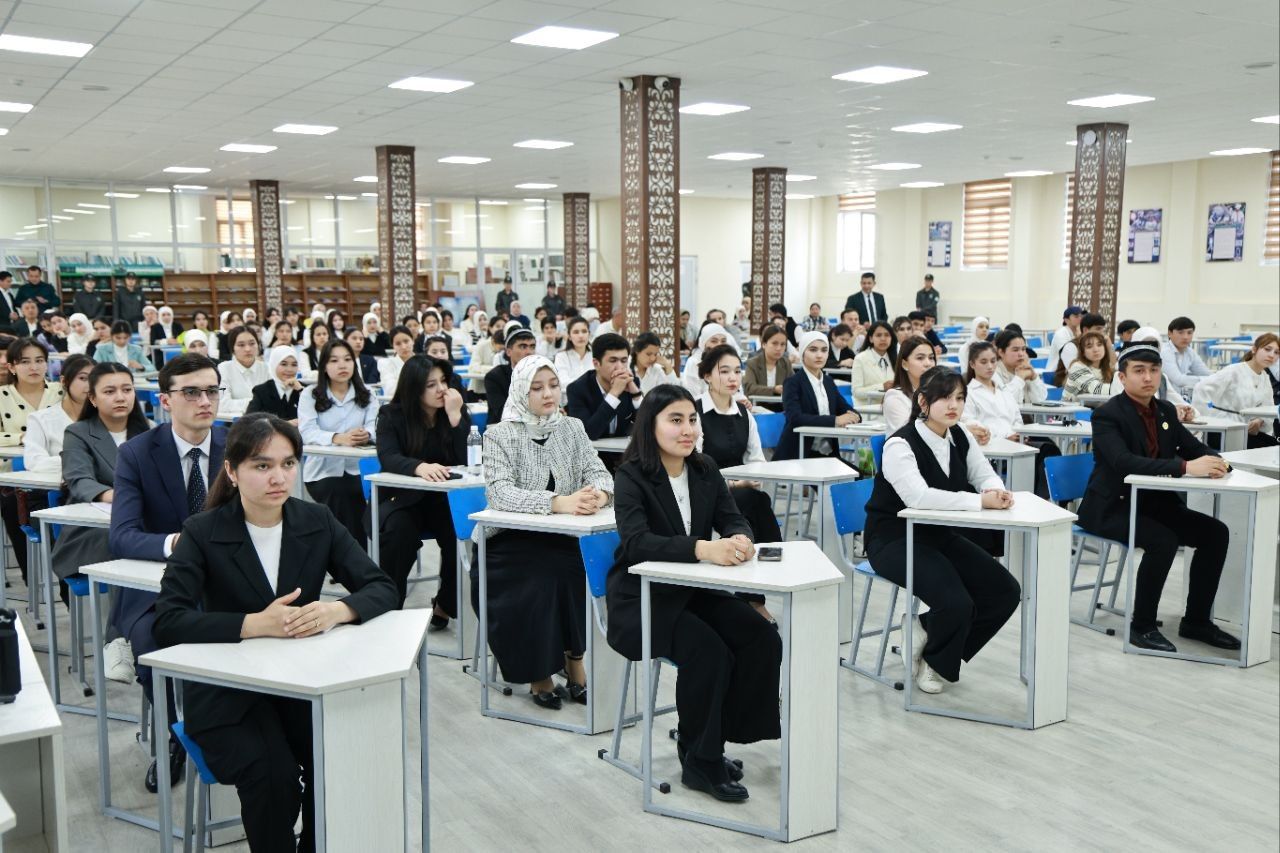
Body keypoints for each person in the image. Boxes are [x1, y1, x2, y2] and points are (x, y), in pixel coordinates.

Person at [153, 413, 396, 852]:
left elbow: (381, 586)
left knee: (339, 757)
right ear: (232, 471)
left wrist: (337, 611)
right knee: (273, 774)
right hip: (229, 693)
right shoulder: (202, 532)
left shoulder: (316, 520)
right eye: (261, 465)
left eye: (288, 464)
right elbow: (168, 620)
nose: (278, 477)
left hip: (301, 685)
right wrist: (252, 624)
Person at [605, 383, 781, 802]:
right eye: (675, 420)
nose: (688, 430)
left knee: (761, 636)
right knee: (709, 652)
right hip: (643, 598)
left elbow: (732, 517)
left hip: (694, 589)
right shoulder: (630, 475)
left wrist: (740, 539)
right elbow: (636, 543)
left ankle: (715, 738)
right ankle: (700, 761)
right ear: (650, 426)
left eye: (692, 420)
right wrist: (703, 549)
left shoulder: (704, 469)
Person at [109, 353, 228, 792]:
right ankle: (174, 738)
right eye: (191, 392)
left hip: (229, 579)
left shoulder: (239, 446)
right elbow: (122, 536)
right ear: (165, 400)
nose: (205, 401)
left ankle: (234, 730)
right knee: (151, 641)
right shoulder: (138, 453)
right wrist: (179, 543)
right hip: (159, 586)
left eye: (212, 390)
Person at [864, 367, 1021, 694]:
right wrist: (980, 501)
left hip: (938, 536)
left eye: (960, 398)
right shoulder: (900, 445)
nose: (954, 405)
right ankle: (936, 661)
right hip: (893, 539)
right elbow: (919, 498)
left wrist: (996, 490)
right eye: (945, 398)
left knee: (1004, 591)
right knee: (956, 603)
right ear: (923, 401)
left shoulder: (959, 435)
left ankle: (924, 630)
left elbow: (983, 474)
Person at [1076, 345, 1237, 652]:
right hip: (1112, 507)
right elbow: (1123, 462)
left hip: (1154, 504)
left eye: (1154, 370)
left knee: (1215, 533)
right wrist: (1185, 468)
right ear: (1122, 377)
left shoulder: (1164, 411)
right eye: (1139, 371)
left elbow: (1193, 448)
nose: (1148, 378)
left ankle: (1196, 621)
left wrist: (1221, 464)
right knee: (1163, 541)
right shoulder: (1107, 415)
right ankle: (1142, 627)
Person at [475, 355, 612, 709]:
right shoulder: (499, 434)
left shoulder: (572, 428)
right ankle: (539, 672)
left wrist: (598, 495)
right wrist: (559, 502)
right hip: (508, 542)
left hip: (561, 536)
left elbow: (599, 473)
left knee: (576, 569)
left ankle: (574, 659)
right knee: (540, 577)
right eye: (537, 388)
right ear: (521, 392)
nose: (548, 394)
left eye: (553, 385)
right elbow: (500, 493)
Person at [53, 363, 151, 676]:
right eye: (109, 391)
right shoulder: (79, 432)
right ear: (93, 399)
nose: (120, 397)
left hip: (145, 527)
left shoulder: (150, 432)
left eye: (126, 389)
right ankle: (118, 640)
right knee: (126, 547)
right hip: (90, 534)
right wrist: (121, 496)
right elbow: (79, 480)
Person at [375, 355, 469, 616]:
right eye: (431, 384)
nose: (441, 389)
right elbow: (388, 456)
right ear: (414, 387)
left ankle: (445, 604)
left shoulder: (453, 411)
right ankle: (388, 609)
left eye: (443, 381)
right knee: (398, 535)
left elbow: (468, 460)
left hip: (442, 500)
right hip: (402, 500)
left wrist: (455, 418)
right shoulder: (391, 415)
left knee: (461, 534)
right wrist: (419, 467)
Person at [694, 345, 783, 617]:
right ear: (707, 375)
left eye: (737, 371)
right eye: (724, 371)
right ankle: (759, 588)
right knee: (752, 501)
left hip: (741, 492)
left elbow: (757, 460)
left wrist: (750, 479)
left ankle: (752, 595)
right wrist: (733, 484)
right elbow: (694, 466)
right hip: (703, 492)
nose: (733, 377)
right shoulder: (694, 411)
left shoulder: (745, 414)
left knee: (754, 499)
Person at [298, 339, 378, 545]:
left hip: (359, 469)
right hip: (322, 471)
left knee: (371, 496)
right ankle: (356, 554)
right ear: (324, 365)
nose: (342, 365)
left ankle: (350, 554)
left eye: (347, 359)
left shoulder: (368, 395)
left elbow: (376, 427)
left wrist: (366, 435)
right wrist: (337, 438)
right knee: (343, 493)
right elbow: (306, 431)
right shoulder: (310, 395)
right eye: (334, 360)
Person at [0, 338, 63, 585]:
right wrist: (21, 437)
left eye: (39, 361)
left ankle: (67, 575)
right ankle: (31, 576)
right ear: (12, 367)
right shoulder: (2, 395)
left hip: (59, 472)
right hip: (13, 477)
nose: (33, 367)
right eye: (25, 362)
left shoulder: (61, 391)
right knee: (12, 505)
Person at [775, 332, 862, 460]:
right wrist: (835, 420)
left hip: (828, 455)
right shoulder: (792, 383)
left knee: (857, 471)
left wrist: (855, 416)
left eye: (824, 350)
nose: (819, 355)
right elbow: (795, 418)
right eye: (813, 350)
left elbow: (844, 407)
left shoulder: (828, 382)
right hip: (799, 453)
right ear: (803, 353)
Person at [1192, 333, 1280, 448]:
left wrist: (1259, 421)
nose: (1271, 355)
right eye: (1267, 349)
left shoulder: (1265, 378)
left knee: (1275, 447)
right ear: (1254, 349)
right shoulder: (1233, 371)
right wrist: (1213, 420)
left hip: (1245, 430)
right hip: (1222, 430)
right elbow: (1201, 389)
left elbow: (1267, 407)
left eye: (1276, 352)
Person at [24, 353, 92, 472]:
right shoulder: (40, 419)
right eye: (83, 378)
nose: (90, 385)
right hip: (58, 482)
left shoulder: (107, 417)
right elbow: (34, 462)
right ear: (64, 381)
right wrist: (85, 460)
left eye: (95, 379)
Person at [567, 333, 641, 440]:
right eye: (613, 361)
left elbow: (649, 426)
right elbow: (586, 434)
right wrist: (614, 394)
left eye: (624, 361)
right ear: (596, 364)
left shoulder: (631, 383)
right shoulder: (577, 389)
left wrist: (636, 395)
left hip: (623, 449)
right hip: (593, 449)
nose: (620, 367)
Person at [882, 336, 937, 432]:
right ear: (904, 364)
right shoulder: (895, 397)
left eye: (931, 358)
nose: (928, 363)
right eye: (920, 358)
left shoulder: (938, 393)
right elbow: (908, 433)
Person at [485, 323, 537, 424]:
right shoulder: (495, 377)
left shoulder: (541, 375)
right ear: (508, 351)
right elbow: (503, 412)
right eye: (523, 346)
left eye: (532, 347)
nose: (529, 352)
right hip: (503, 428)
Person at [217, 326, 268, 415]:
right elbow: (223, 404)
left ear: (258, 345)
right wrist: (257, 402)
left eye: (252, 343)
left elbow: (273, 402)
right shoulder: (224, 369)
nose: (248, 349)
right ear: (232, 349)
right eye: (241, 345)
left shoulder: (266, 368)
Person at [246, 346, 304, 423]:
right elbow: (249, 421)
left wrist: (301, 391)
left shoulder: (303, 389)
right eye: (284, 364)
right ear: (274, 364)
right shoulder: (261, 391)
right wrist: (284, 424)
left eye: (294, 365)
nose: (289, 369)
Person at [682, 323, 740, 398]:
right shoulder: (694, 362)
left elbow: (738, 390)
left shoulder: (730, 360)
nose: (719, 345)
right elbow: (692, 395)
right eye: (714, 341)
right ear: (704, 343)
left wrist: (741, 399)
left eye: (723, 341)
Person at [1160, 316, 1213, 398]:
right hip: (1165, 398)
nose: (1185, 337)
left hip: (1180, 396)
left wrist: (1214, 378)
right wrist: (1206, 379)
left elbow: (1205, 372)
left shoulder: (1189, 352)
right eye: (1180, 332)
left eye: (1189, 333)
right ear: (1170, 333)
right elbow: (1179, 380)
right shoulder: (1165, 352)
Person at [993, 328, 1048, 404]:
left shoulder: (1025, 369)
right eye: (1015, 350)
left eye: (1023, 349)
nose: (1021, 354)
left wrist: (1034, 377)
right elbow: (1005, 402)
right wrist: (1020, 379)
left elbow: (1041, 400)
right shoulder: (993, 373)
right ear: (1001, 352)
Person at [743, 324, 792, 406]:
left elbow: (794, 386)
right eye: (774, 343)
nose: (779, 348)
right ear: (764, 344)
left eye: (782, 344)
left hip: (782, 407)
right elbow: (750, 388)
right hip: (757, 406)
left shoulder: (786, 363)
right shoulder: (752, 363)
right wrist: (774, 390)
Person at [1054, 312, 1107, 385]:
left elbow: (1111, 366)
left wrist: (1109, 347)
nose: (1102, 333)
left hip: (1094, 383)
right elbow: (1076, 374)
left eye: (1103, 330)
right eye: (1098, 329)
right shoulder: (1070, 346)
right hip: (1067, 386)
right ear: (1085, 330)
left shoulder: (1101, 344)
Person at [1062, 331, 1115, 401]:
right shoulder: (1077, 367)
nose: (1096, 350)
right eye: (1089, 347)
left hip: (1095, 405)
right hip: (1071, 407)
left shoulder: (1106, 367)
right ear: (1083, 352)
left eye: (1099, 345)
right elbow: (1096, 389)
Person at [850, 320, 897, 398]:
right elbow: (856, 392)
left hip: (892, 403)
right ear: (871, 339)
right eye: (878, 335)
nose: (883, 339)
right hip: (868, 404)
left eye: (887, 335)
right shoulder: (860, 359)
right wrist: (882, 387)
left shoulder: (896, 358)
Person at [553, 316, 593, 392]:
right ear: (569, 337)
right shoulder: (561, 357)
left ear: (589, 334)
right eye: (576, 332)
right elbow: (562, 382)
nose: (581, 336)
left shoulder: (596, 355)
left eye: (584, 331)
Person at [378, 326, 417, 397]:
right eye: (398, 344)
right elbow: (391, 390)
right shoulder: (386, 364)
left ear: (413, 340)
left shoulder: (423, 361)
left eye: (406, 341)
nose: (403, 347)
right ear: (393, 346)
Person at [1046, 306, 1084, 372]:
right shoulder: (1061, 334)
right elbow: (1069, 356)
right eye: (1076, 317)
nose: (1080, 319)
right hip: (1056, 372)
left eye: (1081, 316)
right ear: (1066, 320)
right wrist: (1079, 337)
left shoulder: (1079, 332)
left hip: (1070, 369)